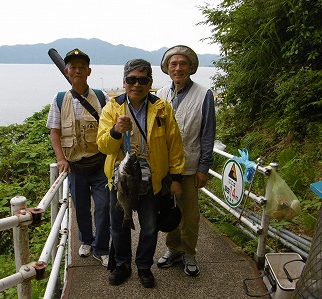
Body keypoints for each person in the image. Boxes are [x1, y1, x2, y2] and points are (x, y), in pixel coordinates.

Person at [96, 59, 185, 288]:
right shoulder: (112, 108)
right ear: (124, 82)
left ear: (150, 82)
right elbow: (103, 147)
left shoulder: (163, 108)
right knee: (118, 226)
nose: (137, 84)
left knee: (149, 227)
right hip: (121, 179)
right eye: (132, 79)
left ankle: (144, 266)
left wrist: (176, 178)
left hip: (152, 179)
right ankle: (123, 265)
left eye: (143, 80)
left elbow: (174, 145)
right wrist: (115, 131)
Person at [46, 48, 110, 267]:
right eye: (73, 67)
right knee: (81, 207)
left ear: (89, 71)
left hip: (100, 164)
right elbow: (54, 131)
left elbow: (110, 126)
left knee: (104, 206)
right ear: (67, 71)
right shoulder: (60, 99)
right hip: (74, 166)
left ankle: (102, 248)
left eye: (82, 67)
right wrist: (61, 158)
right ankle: (86, 240)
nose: (78, 71)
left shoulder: (101, 97)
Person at [156, 45, 216, 276]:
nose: (178, 68)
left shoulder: (204, 94)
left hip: (190, 166)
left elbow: (208, 134)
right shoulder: (161, 95)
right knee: (170, 211)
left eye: (183, 64)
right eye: (173, 64)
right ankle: (173, 249)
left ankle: (189, 252)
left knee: (190, 214)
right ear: (167, 68)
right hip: (165, 169)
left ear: (191, 67)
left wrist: (204, 167)